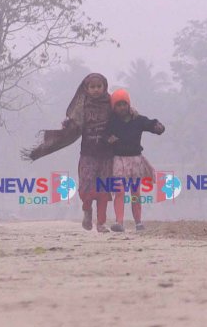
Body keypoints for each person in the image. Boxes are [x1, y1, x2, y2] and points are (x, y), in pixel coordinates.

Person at [22, 73, 114, 233]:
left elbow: (123, 113)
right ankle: (87, 210)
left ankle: (101, 223)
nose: (96, 90)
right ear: (86, 89)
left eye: (99, 86)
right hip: (88, 154)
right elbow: (74, 123)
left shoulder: (111, 104)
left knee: (104, 191)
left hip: (106, 155)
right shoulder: (82, 106)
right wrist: (68, 125)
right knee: (86, 187)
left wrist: (131, 112)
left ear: (105, 87)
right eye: (92, 87)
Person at [106, 88, 165, 232]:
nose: (121, 108)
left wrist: (158, 127)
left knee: (135, 192)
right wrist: (108, 139)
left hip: (135, 161)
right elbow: (103, 134)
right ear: (114, 106)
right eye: (118, 105)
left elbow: (150, 124)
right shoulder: (111, 121)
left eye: (124, 104)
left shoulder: (137, 120)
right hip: (119, 160)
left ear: (128, 104)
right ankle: (119, 222)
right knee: (119, 192)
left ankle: (138, 222)